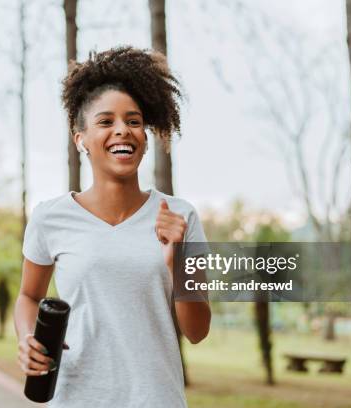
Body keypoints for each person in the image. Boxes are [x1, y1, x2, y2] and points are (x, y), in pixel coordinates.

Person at [13, 46, 211, 407]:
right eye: (106, 122)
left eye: (134, 121)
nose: (123, 130)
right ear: (81, 140)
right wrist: (28, 338)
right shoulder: (49, 218)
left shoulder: (181, 218)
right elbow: (28, 296)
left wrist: (176, 261)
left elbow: (197, 332)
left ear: (145, 137)